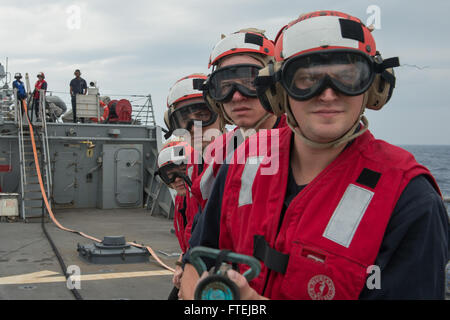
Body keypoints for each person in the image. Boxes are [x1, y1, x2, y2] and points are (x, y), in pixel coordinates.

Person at [189, 11, 449, 300]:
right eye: (306, 78)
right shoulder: (242, 161)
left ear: (374, 88)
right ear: (278, 89)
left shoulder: (409, 197)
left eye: (347, 77)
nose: (327, 94)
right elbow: (196, 260)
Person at [179, 28, 288, 299]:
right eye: (225, 86)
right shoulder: (220, 156)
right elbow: (205, 234)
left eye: (251, 82)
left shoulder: (306, 153)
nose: (237, 96)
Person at [163, 73, 225, 299]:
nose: (195, 128)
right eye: (184, 120)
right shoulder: (196, 166)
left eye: (203, 115)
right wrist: (185, 260)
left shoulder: (240, 159)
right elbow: (199, 222)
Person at [155, 139, 194, 300]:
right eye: (170, 175)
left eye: (183, 171)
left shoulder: (203, 200)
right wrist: (180, 264)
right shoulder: (181, 199)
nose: (177, 179)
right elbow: (189, 244)